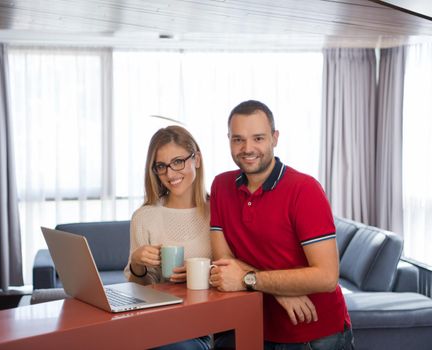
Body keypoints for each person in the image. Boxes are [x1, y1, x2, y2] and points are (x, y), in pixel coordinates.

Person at [209, 100, 354, 350]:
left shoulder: (305, 190)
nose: (248, 148)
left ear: (275, 138)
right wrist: (279, 291)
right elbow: (224, 261)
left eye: (258, 138)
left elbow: (327, 276)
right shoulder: (221, 186)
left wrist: (248, 279)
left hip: (315, 335)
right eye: (238, 139)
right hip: (253, 328)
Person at [124, 125, 212, 350]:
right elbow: (137, 291)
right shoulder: (144, 217)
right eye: (161, 166)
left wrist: (204, 274)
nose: (170, 174)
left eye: (178, 162)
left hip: (204, 326)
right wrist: (136, 264)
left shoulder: (220, 212)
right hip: (156, 323)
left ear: (197, 159)